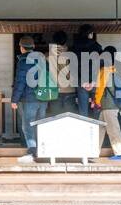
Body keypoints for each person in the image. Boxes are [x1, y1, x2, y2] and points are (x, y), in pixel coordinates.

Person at [10, 36, 47, 164]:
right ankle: (41, 151)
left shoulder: (23, 61)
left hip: (30, 98)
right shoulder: (42, 60)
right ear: (33, 47)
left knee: (28, 125)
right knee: (40, 124)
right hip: (43, 97)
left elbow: (20, 81)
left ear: (21, 48)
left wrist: (14, 99)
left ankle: (32, 152)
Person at [92, 46, 121, 162]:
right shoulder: (117, 69)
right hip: (114, 104)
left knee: (113, 129)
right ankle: (93, 151)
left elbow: (100, 88)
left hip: (108, 104)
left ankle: (120, 152)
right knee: (100, 128)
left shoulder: (105, 70)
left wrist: (96, 101)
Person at [72, 25, 103, 115]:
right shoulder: (97, 47)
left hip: (81, 82)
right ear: (90, 34)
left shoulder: (75, 47)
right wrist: (93, 81)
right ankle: (97, 127)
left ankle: (84, 127)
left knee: (83, 111)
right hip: (95, 81)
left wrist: (82, 81)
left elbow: (73, 66)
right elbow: (100, 65)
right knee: (97, 107)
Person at [47, 30, 78, 116]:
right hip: (69, 90)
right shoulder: (72, 55)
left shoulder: (48, 56)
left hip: (54, 91)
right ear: (65, 41)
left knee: (56, 120)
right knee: (70, 119)